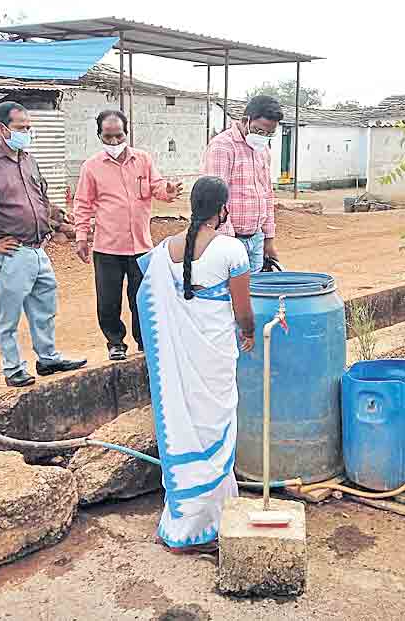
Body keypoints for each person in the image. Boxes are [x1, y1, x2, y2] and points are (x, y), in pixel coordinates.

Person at [136, 176, 255, 553]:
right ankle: (201, 529)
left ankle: (187, 519)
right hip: (215, 358)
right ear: (222, 209)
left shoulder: (161, 251)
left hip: (179, 361)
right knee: (215, 427)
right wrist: (250, 334)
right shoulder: (232, 250)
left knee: (185, 427)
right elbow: (243, 312)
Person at [0, 101, 86, 387]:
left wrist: (48, 222)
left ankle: (48, 358)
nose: (27, 132)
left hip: (37, 249)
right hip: (10, 253)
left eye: (29, 127)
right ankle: (13, 368)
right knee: (9, 314)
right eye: (21, 128)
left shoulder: (27, 159)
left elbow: (41, 194)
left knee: (45, 305)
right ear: (2, 129)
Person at [73, 110, 183, 361]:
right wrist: (81, 236)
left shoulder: (143, 160)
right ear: (99, 135)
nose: (114, 142)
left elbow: (157, 187)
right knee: (108, 300)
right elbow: (83, 203)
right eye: (108, 137)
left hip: (141, 245)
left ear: (126, 133)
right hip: (107, 246)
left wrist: (167, 190)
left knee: (142, 296)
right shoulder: (91, 167)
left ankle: (144, 339)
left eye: (118, 136)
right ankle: (115, 342)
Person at [202, 94, 281, 273]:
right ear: (246, 120)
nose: (263, 136)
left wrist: (269, 239)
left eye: (269, 134)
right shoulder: (222, 146)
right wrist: (229, 243)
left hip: (257, 239)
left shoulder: (263, 150)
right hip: (229, 239)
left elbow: (267, 194)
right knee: (231, 295)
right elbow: (215, 200)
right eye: (260, 131)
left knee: (254, 296)